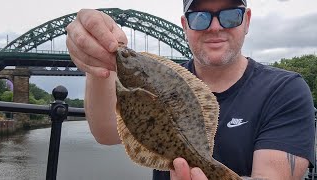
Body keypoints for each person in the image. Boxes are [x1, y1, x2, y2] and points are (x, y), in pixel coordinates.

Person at [65, 0, 315, 179]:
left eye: (230, 15)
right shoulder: (167, 77)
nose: (215, 27)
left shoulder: (285, 90)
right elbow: (106, 134)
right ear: (185, 25)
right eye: (200, 17)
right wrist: (99, 65)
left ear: (246, 21)